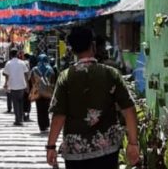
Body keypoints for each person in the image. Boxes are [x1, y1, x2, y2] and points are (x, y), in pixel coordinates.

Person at [46, 26, 139, 169]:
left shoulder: (65, 77)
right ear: (93, 45)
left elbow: (59, 116)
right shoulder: (110, 74)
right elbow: (129, 110)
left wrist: (51, 146)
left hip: (75, 152)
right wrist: (133, 144)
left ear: (73, 49)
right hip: (107, 150)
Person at [3, 48, 29, 126]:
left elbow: (6, 74)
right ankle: (20, 118)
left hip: (13, 85)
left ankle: (17, 119)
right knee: (21, 102)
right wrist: (27, 85)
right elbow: (26, 74)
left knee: (15, 103)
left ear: (10, 55)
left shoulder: (8, 63)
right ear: (17, 54)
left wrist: (6, 83)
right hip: (21, 85)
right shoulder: (22, 63)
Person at [30, 54, 56, 132]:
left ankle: (41, 126)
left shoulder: (34, 69)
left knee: (39, 109)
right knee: (46, 108)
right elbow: (53, 80)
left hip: (38, 91)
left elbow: (32, 80)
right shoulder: (50, 69)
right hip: (47, 92)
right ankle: (46, 124)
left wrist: (35, 87)